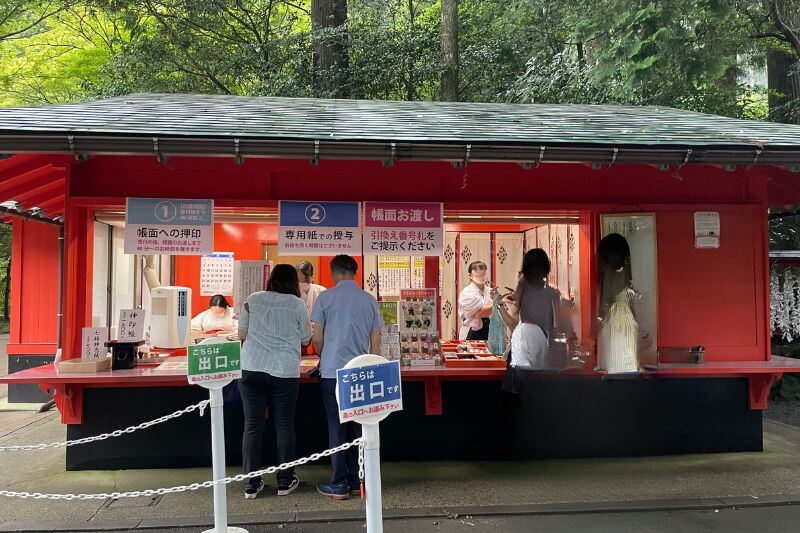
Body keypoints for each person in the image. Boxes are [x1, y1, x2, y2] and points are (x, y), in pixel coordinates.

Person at [311, 255, 383, 500]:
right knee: (359, 426)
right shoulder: (369, 300)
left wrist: (327, 354)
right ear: (354, 273)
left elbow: (317, 338)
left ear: (335, 273)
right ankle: (357, 479)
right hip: (361, 371)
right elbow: (376, 340)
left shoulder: (325, 298)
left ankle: (339, 483)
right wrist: (373, 365)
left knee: (336, 426)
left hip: (332, 372)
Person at [237, 264, 311, 500]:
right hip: (284, 371)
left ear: (271, 279)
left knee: (252, 426)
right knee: (284, 426)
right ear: (293, 282)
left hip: (251, 368)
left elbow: (241, 334)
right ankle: (284, 482)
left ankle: (251, 484)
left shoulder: (253, 299)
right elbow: (306, 338)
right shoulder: (297, 304)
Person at [505, 249, 563, 369]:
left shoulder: (522, 287)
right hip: (543, 341)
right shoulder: (553, 294)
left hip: (523, 340)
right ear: (546, 268)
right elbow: (556, 325)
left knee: (521, 382)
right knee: (539, 381)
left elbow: (514, 318)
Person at [458, 261, 495, 340]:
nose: (481, 278)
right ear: (470, 276)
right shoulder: (467, 292)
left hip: (489, 330)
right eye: (478, 276)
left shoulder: (490, 291)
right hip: (472, 331)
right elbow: (479, 313)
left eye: (483, 274)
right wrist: (497, 304)